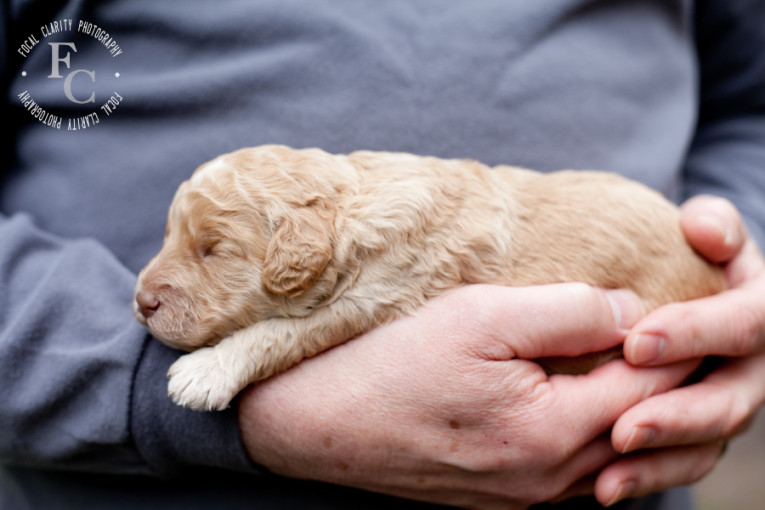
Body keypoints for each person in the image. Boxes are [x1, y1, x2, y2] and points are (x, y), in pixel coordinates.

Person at [1, 1, 764, 509]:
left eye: (209, 249)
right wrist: (148, 387)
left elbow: (752, 104)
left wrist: (735, 263)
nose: (156, 278)